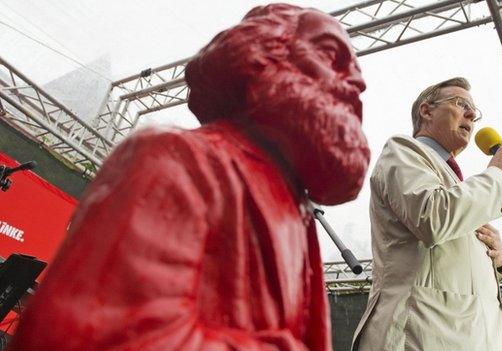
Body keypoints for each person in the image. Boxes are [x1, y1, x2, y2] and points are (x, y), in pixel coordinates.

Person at [11, 4, 370, 350]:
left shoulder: (300, 218)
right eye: (329, 55)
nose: (357, 83)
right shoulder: (176, 159)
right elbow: (99, 335)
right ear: (261, 57)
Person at [352, 77, 502, 351]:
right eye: (461, 104)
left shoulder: (460, 186)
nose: (471, 114)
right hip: (420, 334)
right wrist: (500, 174)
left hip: (475, 336)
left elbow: (450, 265)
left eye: (475, 111)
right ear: (427, 111)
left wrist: (498, 260)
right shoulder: (403, 151)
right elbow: (432, 219)